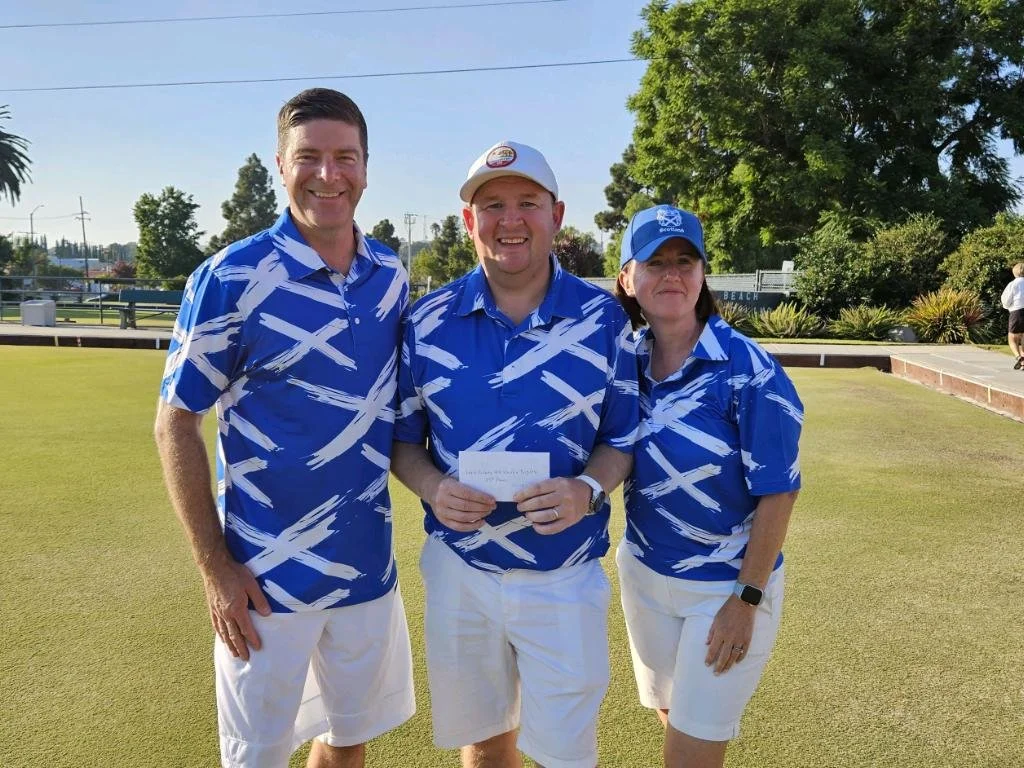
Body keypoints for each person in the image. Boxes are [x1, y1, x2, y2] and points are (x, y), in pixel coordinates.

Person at [154, 88, 414, 768]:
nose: (328, 175)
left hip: (367, 570)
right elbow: (175, 425)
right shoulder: (231, 277)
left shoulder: (390, 274)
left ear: (366, 166)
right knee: (258, 756)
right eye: (309, 158)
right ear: (280, 164)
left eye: (344, 158)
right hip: (265, 581)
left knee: (347, 741)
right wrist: (214, 568)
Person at [391, 140, 638, 768]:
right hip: (461, 571)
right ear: (469, 221)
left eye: (527, 203)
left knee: (565, 752)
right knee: (485, 740)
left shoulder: (604, 320)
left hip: (565, 574)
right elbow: (403, 442)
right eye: (491, 204)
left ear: (556, 216)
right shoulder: (428, 320)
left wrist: (588, 489)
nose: (510, 220)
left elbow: (622, 440)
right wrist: (431, 487)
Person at [612, 205, 803, 768]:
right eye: (655, 262)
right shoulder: (623, 363)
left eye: (685, 261)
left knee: (690, 754)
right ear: (628, 277)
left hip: (726, 587)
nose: (671, 274)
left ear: (701, 275)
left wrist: (747, 599)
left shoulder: (751, 370)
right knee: (672, 713)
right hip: (645, 576)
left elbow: (779, 492)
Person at [1000, 262, 1024, 370]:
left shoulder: (1013, 284)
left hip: (1016, 311)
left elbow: (1005, 300)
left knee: (1012, 338)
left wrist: (1007, 306)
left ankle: (1018, 357)